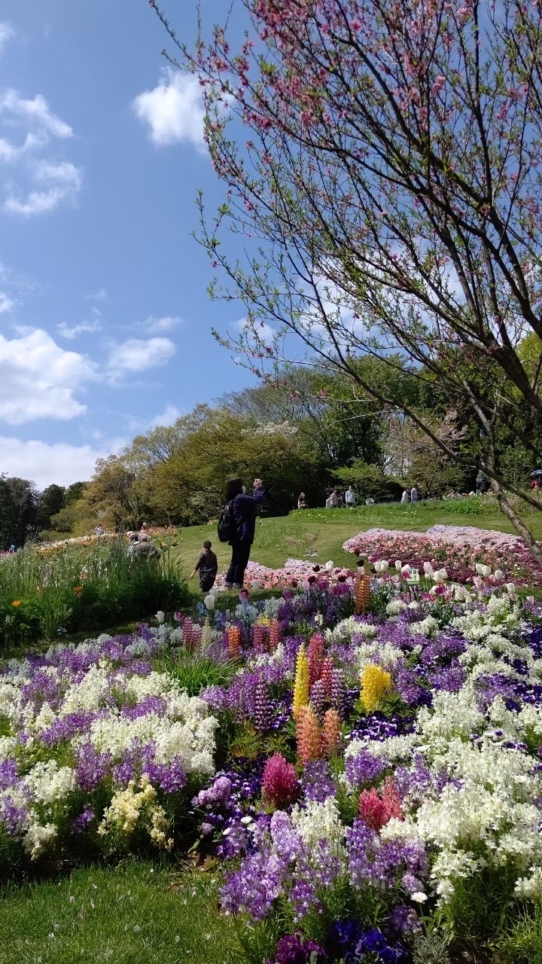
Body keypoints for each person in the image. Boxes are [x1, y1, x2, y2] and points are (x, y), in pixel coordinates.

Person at [224, 477, 265, 590]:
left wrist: (255, 489)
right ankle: (238, 585)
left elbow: (252, 501)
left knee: (235, 561)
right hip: (243, 534)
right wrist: (259, 488)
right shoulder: (240, 498)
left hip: (235, 535)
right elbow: (257, 499)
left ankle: (229, 584)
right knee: (241, 562)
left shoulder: (233, 500)